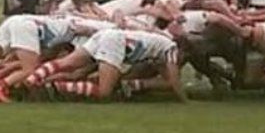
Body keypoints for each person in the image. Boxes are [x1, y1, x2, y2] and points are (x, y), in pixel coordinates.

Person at [24, 27, 187, 102]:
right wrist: (185, 101)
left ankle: (31, 80)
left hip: (105, 35)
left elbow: (166, 78)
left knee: (67, 64)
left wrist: (135, 84)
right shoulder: (171, 48)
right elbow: (173, 80)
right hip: (116, 42)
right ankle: (56, 87)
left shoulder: (160, 44)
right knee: (104, 93)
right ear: (181, 50)